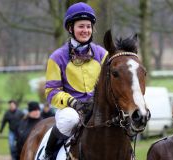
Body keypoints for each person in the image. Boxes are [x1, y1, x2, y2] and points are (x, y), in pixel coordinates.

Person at [44, 2, 107, 159]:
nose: (85, 30)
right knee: (70, 118)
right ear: (70, 28)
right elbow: (52, 92)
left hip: (97, 109)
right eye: (81, 26)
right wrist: (73, 102)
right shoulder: (57, 57)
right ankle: (48, 154)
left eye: (88, 26)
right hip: (71, 110)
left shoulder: (102, 54)